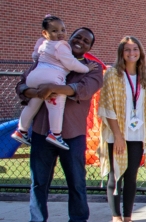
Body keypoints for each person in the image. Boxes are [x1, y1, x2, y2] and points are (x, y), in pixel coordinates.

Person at [18, 27, 102, 222]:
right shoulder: (46, 59)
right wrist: (37, 92)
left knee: (76, 181)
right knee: (39, 182)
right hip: (41, 131)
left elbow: (82, 90)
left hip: (72, 134)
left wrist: (53, 87)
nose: (80, 42)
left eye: (86, 41)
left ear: (89, 47)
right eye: (77, 37)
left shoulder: (90, 69)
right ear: (68, 39)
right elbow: (22, 85)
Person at [97, 36, 146, 222]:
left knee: (131, 176)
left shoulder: (145, 76)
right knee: (116, 175)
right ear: (121, 52)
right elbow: (107, 106)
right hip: (117, 134)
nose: (131, 53)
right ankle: (116, 218)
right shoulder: (113, 74)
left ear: (140, 52)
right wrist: (118, 135)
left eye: (135, 49)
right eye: (127, 50)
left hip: (137, 134)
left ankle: (128, 218)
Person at [12, 15, 91, 150]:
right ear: (45, 32)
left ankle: (21, 130)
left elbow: (35, 56)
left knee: (32, 104)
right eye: (55, 31)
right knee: (56, 105)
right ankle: (55, 133)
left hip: (34, 76)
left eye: (62, 30)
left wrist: (35, 91)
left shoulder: (42, 43)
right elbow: (71, 63)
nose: (60, 33)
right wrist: (86, 68)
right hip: (52, 78)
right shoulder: (62, 46)